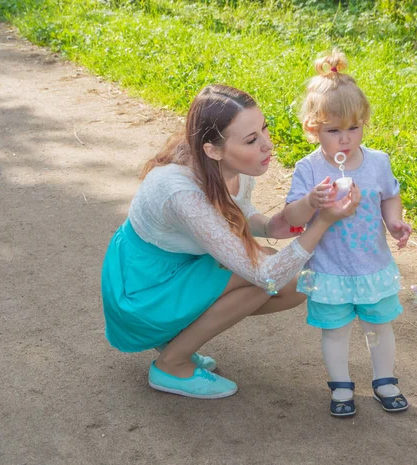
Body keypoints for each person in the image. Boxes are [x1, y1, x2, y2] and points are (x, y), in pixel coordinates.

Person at [101, 84, 360, 400]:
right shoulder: (180, 191)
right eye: (252, 139)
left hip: (181, 268)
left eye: (264, 129)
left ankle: (178, 340)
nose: (267, 145)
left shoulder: (233, 163)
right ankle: (172, 364)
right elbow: (267, 276)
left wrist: (292, 216)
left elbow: (247, 216)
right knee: (266, 279)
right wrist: (322, 223)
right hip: (143, 288)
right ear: (213, 149)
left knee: (289, 281)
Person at [284, 50, 412, 416]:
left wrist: (394, 222)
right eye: (333, 130)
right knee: (335, 331)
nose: (345, 139)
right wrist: (311, 201)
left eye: (353, 128)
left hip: (372, 265)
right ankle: (340, 386)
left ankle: (384, 379)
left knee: (378, 326)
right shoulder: (308, 169)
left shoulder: (377, 162)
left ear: (364, 122)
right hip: (329, 269)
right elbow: (292, 215)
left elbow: (390, 194)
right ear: (313, 128)